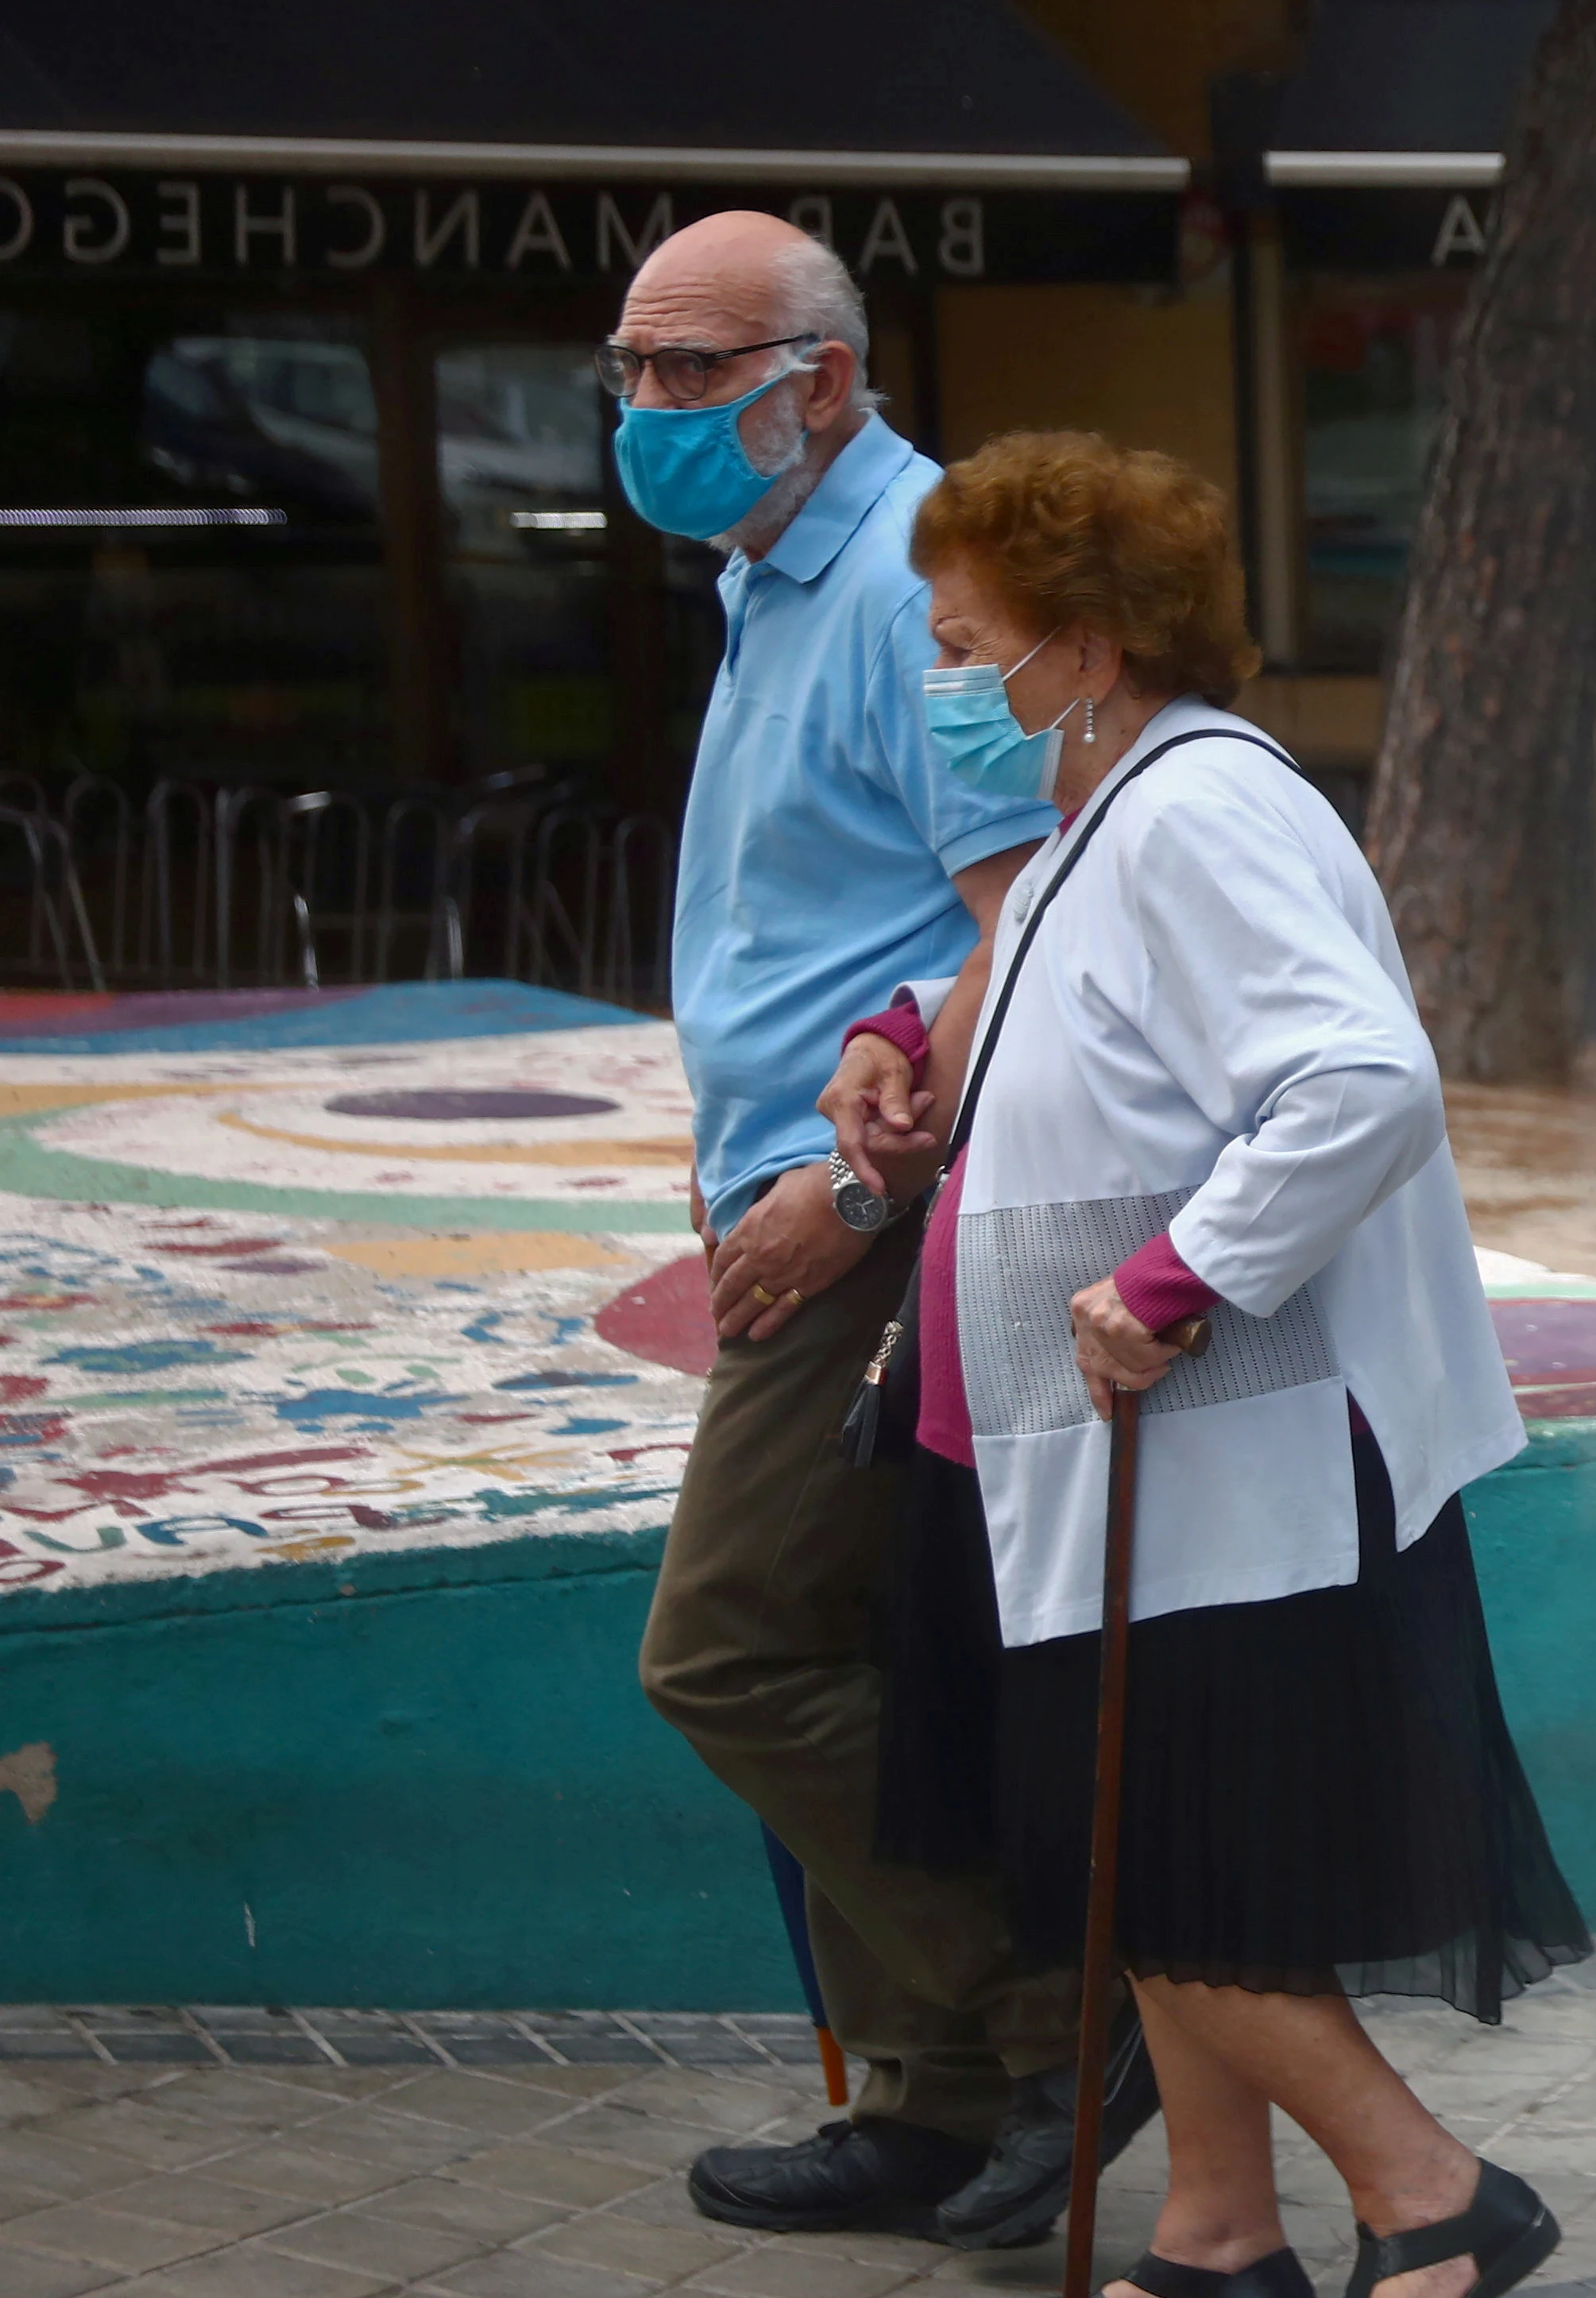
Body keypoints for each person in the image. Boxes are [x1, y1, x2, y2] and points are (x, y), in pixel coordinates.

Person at [823, 430, 1588, 2298]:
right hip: (1080, 1437)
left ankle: (1433, 2195)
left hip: (1211, 1436)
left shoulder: (1197, 809)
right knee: (1144, 1864)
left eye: (964, 639)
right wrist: (909, 1031)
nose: (940, 679)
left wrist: (1174, 1280)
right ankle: (1215, 2230)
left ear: (1082, 651)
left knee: (1166, 1877)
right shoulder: (1110, 813)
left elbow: (1359, 1083)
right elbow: (1061, 1003)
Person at [616, 211, 1148, 2246]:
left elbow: (1020, 919)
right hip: (803, 1190)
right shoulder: (777, 572)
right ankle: (926, 2102)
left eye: (688, 374)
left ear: (816, 380)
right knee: (853, 1648)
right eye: (634, 371)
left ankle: (1052, 2010)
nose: (644, 414)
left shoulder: (925, 587)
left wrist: (853, 1184)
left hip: (889, 1213)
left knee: (730, 1649)